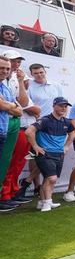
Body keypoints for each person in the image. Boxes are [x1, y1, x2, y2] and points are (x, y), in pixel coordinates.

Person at [0, 50, 40, 204]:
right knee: (8, 162)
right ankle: (5, 194)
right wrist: (11, 106)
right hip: (12, 125)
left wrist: (21, 82)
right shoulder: (4, 82)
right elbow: (20, 107)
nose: (16, 64)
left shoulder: (17, 81)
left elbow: (20, 106)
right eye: (12, 61)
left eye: (18, 61)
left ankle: (10, 193)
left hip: (15, 125)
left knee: (12, 162)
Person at [21, 63, 64, 196]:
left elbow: (62, 104)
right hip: (37, 126)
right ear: (32, 74)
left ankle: (30, 183)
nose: (39, 75)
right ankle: (37, 186)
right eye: (36, 73)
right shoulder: (30, 86)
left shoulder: (56, 85)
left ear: (45, 71)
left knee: (48, 157)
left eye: (41, 72)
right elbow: (26, 105)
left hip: (55, 126)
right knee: (37, 156)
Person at [25, 97, 75, 212]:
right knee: (51, 178)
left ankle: (43, 202)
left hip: (59, 154)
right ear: (54, 106)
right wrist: (35, 146)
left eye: (65, 106)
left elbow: (72, 133)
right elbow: (29, 131)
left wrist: (66, 146)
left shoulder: (67, 122)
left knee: (49, 179)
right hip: (45, 154)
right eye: (61, 105)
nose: (63, 108)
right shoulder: (46, 120)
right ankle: (47, 203)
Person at [0, 57, 23, 212]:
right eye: (2, 68)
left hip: (3, 131)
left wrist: (9, 105)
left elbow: (19, 110)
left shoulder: (5, 88)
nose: (5, 71)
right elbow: (2, 105)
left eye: (7, 69)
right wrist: (9, 106)